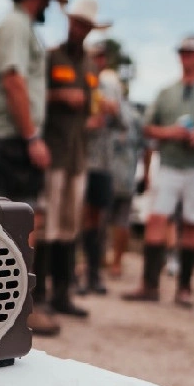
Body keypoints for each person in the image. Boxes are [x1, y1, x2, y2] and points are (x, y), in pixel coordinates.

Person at [0, 0, 68, 336]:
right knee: (16, 228)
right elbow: (13, 80)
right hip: (7, 141)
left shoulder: (17, 26)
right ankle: (13, 312)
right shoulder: (16, 26)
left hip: (0, 140)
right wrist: (32, 137)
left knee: (0, 228)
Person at [123, 34, 194, 307]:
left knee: (192, 224)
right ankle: (149, 284)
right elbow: (149, 128)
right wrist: (171, 132)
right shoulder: (166, 92)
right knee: (156, 219)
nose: (187, 56)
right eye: (183, 52)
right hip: (171, 164)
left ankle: (184, 288)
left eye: (191, 52)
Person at [34, 0, 112, 319]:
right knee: (46, 225)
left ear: (91, 29)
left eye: (86, 25)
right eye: (76, 22)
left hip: (79, 157)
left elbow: (94, 108)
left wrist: (96, 118)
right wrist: (58, 95)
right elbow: (35, 96)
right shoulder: (51, 58)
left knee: (69, 227)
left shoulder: (92, 68)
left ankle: (62, 295)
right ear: (69, 22)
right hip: (53, 153)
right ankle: (37, 297)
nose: (80, 28)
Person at [78, 41, 124, 295]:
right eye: (95, 56)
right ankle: (73, 274)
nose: (99, 61)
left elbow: (122, 120)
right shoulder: (79, 81)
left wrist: (112, 110)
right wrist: (87, 122)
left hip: (103, 163)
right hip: (79, 161)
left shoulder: (110, 84)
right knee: (77, 217)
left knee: (96, 217)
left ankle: (92, 274)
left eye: (102, 57)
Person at [107, 91, 146, 278]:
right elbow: (146, 147)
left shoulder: (105, 110)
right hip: (125, 177)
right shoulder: (137, 116)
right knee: (122, 221)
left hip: (110, 175)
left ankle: (106, 262)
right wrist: (146, 175)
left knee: (101, 220)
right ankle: (116, 263)